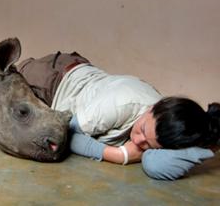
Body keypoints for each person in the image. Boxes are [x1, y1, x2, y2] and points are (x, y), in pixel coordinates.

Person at [16, 51, 220, 180]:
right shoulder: (123, 103)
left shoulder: (164, 131)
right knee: (6, 78)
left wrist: (206, 148)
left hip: (86, 87)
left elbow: (156, 165)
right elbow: (66, 134)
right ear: (152, 108)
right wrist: (119, 155)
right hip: (56, 80)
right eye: (141, 130)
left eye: (148, 145)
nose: (138, 141)